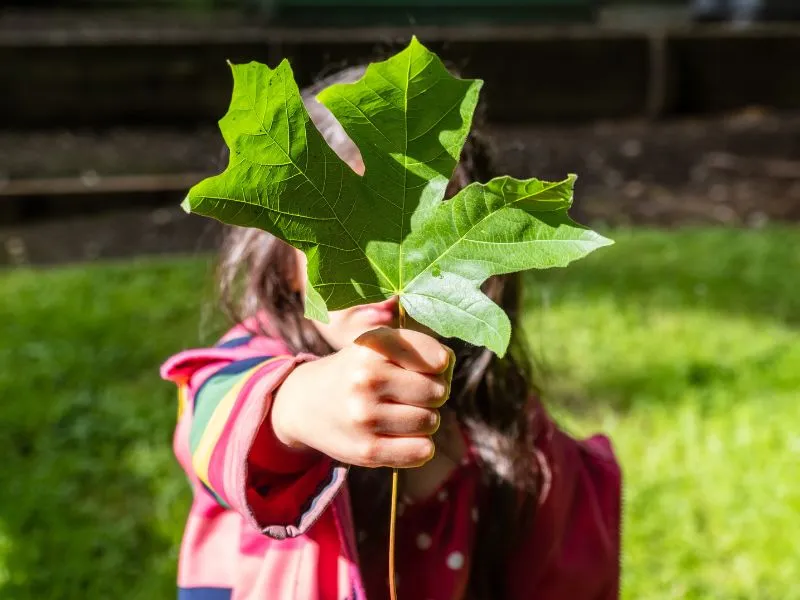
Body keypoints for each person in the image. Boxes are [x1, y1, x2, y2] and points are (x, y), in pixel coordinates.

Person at [161, 66, 622, 600]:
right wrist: (295, 408)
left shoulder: (511, 429)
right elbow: (215, 422)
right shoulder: (246, 368)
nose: (383, 273)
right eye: (345, 238)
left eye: (421, 237)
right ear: (284, 259)